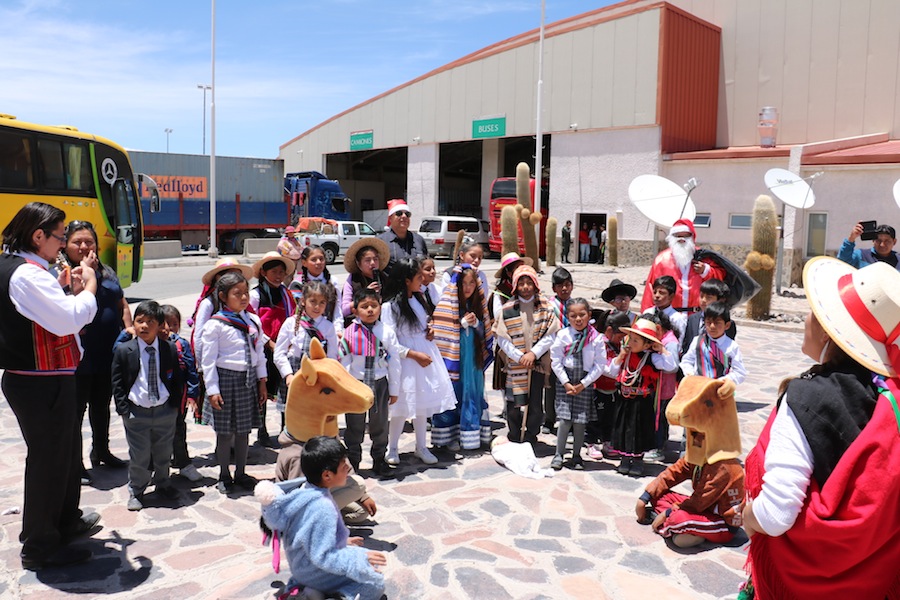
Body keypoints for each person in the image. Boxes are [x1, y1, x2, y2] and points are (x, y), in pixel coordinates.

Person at [741, 258, 900, 598]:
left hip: (800, 584)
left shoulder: (807, 396)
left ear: (830, 329)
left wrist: (747, 516)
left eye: (814, 311)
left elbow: (776, 513)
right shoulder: (890, 401)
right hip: (872, 583)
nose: (806, 319)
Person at [0, 202, 100, 570]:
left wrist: (61, 288)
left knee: (64, 454)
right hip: (40, 382)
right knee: (48, 461)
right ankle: (40, 544)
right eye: (59, 237)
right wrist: (88, 288)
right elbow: (66, 320)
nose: (62, 245)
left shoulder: (24, 269)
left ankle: (63, 521)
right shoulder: (27, 275)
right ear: (38, 235)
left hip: (44, 379)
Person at [257, 436, 386, 600]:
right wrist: (358, 559)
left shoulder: (303, 490)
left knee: (364, 558)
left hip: (300, 567)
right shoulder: (323, 507)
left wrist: (343, 543)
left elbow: (307, 535)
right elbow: (323, 557)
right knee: (375, 582)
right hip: (313, 570)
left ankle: (312, 592)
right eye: (343, 466)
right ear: (327, 475)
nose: (348, 468)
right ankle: (341, 596)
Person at [56, 219, 131, 482]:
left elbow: (121, 302)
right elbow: (67, 304)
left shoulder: (106, 271)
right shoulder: (63, 272)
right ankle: (73, 464)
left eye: (90, 241)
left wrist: (129, 328)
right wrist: (84, 271)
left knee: (102, 405)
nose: (85, 246)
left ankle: (101, 450)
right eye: (78, 241)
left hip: (107, 351)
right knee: (76, 412)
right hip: (79, 355)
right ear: (65, 244)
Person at [635, 377, 745, 549]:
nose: (694, 437)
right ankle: (679, 527)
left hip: (723, 522)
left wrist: (669, 513)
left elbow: (699, 501)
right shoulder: (699, 453)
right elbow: (674, 472)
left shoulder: (724, 466)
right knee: (661, 495)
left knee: (678, 519)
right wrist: (646, 495)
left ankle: (679, 527)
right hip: (701, 510)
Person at [382, 258, 457, 466]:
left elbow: (423, 324)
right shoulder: (390, 308)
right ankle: (393, 447)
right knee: (401, 407)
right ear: (406, 280)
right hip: (406, 361)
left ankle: (421, 446)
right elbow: (390, 342)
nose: (422, 279)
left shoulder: (418, 299)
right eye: (417, 277)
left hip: (424, 357)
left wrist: (430, 330)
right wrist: (414, 354)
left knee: (421, 405)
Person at [111, 301, 185, 511]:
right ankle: (137, 489)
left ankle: (163, 483)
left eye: (150, 322)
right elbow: (117, 382)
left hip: (164, 410)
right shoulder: (125, 350)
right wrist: (124, 410)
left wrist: (173, 406)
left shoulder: (168, 348)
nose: (144, 326)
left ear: (160, 325)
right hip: (137, 411)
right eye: (139, 321)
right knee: (140, 454)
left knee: (163, 452)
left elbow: (176, 378)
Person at [200, 272, 268, 494]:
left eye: (246, 293)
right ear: (223, 296)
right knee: (224, 432)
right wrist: (212, 390)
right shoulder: (215, 325)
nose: (244, 297)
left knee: (243, 431)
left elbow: (259, 354)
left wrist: (262, 381)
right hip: (225, 381)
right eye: (237, 294)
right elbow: (208, 361)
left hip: (247, 380)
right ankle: (223, 474)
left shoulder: (253, 321)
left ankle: (240, 472)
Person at [339, 288, 403, 477]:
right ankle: (353, 461)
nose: (369, 310)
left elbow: (395, 362)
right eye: (364, 306)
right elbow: (344, 362)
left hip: (379, 383)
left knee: (380, 424)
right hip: (356, 384)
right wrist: (343, 387)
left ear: (380, 307)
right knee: (354, 425)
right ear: (356, 310)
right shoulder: (350, 332)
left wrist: (394, 389)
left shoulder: (387, 332)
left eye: (374, 306)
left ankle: (379, 458)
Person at [494, 265, 561, 444]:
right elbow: (502, 338)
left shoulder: (546, 307)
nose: (525, 287)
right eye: (521, 283)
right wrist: (519, 356)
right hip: (515, 364)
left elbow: (551, 334)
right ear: (515, 285)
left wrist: (533, 354)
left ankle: (531, 434)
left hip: (537, 363)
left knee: (535, 404)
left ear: (535, 284)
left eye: (529, 283)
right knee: (513, 403)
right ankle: (515, 434)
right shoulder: (508, 309)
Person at [432, 264, 494, 451]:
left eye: (471, 284)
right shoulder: (447, 304)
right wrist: (460, 323)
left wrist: (476, 325)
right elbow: (442, 329)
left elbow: (486, 333)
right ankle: (449, 436)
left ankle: (471, 434)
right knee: (453, 392)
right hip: (454, 357)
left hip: (471, 358)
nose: (468, 288)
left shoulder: (477, 305)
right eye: (464, 284)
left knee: (472, 391)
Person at [610, 315, 677, 476]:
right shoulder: (625, 357)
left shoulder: (652, 357)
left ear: (647, 343)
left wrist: (662, 350)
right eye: (630, 339)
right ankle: (625, 459)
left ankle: (638, 460)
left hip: (642, 402)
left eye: (636, 341)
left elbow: (671, 366)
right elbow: (612, 372)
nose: (631, 343)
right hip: (624, 400)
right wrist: (620, 357)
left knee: (639, 430)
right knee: (624, 428)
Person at [549, 298, 608, 470]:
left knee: (580, 422)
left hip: (585, 381)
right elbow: (556, 360)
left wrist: (584, 383)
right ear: (567, 317)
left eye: (582, 315)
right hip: (565, 380)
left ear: (589, 315)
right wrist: (566, 382)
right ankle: (559, 454)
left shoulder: (596, 338)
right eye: (573, 316)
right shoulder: (563, 335)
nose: (578, 319)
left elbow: (600, 364)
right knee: (565, 420)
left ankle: (576, 456)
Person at [250, 251, 296, 448]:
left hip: (284, 348)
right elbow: (252, 323)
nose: (279, 276)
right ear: (263, 272)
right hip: (264, 349)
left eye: (282, 272)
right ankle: (262, 430)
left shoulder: (287, 294)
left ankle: (287, 428)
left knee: (286, 388)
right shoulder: (255, 295)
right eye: (274, 271)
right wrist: (269, 342)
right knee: (263, 389)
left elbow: (294, 316)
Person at [274, 281, 339, 418]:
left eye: (322, 303)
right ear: (303, 301)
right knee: (291, 419)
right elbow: (279, 353)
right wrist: (288, 375)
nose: (317, 306)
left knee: (313, 417)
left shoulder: (328, 327)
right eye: (313, 301)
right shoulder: (291, 323)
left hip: (318, 377)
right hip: (294, 375)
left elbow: (332, 356)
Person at [640, 219, 726, 312]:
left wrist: (705, 270)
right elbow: (651, 289)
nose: (682, 239)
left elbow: (720, 278)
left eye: (686, 235)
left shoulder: (703, 256)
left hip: (696, 316)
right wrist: (646, 315)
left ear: (692, 237)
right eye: (678, 236)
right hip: (669, 316)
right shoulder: (661, 260)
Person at [160, 305, 203, 483]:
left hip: (179, 397)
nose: (170, 328)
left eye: (174, 324)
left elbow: (191, 371)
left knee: (178, 429)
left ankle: (183, 463)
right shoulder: (152, 343)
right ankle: (158, 467)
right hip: (158, 398)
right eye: (166, 324)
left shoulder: (181, 344)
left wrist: (193, 394)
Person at [586, 311, 631, 461]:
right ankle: (591, 443)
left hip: (613, 390)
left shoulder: (620, 345)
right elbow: (608, 370)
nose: (622, 339)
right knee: (595, 418)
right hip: (598, 388)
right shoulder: (599, 344)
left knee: (610, 418)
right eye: (620, 336)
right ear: (610, 330)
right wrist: (621, 357)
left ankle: (607, 442)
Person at [679, 302, 747, 392]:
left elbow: (740, 372)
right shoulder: (697, 341)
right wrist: (691, 375)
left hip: (719, 390)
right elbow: (687, 361)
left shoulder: (732, 346)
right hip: (697, 388)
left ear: (727, 325)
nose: (712, 326)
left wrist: (722, 381)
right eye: (708, 322)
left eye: (717, 323)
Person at [645, 311, 680, 463]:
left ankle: (658, 447)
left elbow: (672, 367)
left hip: (664, 388)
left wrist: (659, 352)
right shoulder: (664, 339)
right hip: (656, 387)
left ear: (658, 328)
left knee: (659, 419)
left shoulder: (670, 342)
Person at [543, 267, 574, 434]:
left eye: (568, 285)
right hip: (552, 353)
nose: (564, 289)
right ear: (554, 288)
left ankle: (566, 419)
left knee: (568, 387)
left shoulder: (576, 305)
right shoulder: (548, 305)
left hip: (571, 353)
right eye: (560, 285)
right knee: (550, 387)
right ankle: (549, 419)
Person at [292, 244, 343, 335]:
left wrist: (337, 329)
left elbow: (337, 309)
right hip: (304, 331)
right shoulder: (297, 285)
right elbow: (295, 312)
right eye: (313, 260)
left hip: (329, 331)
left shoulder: (332, 282)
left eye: (321, 259)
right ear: (304, 262)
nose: (319, 262)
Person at [341, 237, 390, 326]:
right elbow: (344, 310)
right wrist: (365, 294)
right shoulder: (352, 280)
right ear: (359, 264)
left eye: (375, 259)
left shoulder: (385, 278)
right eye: (367, 260)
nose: (372, 263)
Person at [680, 279, 737, 356]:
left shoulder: (726, 323)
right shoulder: (692, 319)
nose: (703, 300)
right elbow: (686, 345)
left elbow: (727, 349)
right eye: (701, 296)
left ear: (721, 300)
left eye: (708, 297)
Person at [377, 198, 428, 275]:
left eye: (407, 214)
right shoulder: (380, 241)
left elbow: (425, 265)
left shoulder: (419, 240)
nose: (404, 216)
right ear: (390, 218)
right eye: (399, 213)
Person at [649, 275, 687, 344]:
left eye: (662, 293)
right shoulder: (648, 312)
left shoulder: (677, 318)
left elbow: (679, 342)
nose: (657, 295)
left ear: (671, 296)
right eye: (654, 292)